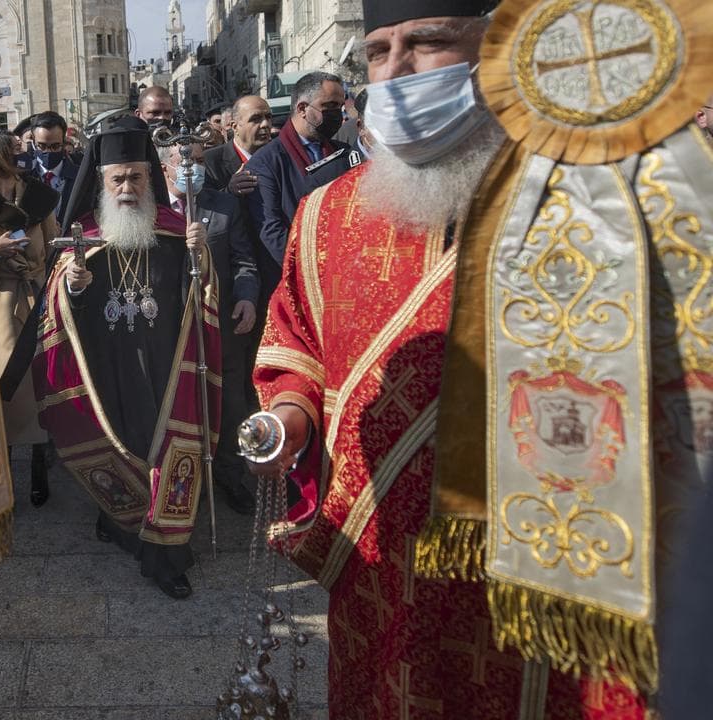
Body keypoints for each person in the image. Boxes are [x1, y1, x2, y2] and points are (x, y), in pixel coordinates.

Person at [249, 0, 712, 716]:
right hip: (381, 571)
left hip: (545, 568)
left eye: (427, 42)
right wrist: (288, 414)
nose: (397, 72)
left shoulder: (599, 201)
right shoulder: (325, 214)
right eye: (378, 52)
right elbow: (296, 340)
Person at [34, 118, 216, 599]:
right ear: (102, 182)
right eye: (118, 178)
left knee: (167, 448)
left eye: (137, 176)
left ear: (150, 179)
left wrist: (200, 260)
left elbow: (199, 295)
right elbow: (60, 309)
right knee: (116, 439)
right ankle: (118, 523)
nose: (128, 187)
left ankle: (165, 554)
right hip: (108, 365)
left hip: (166, 364)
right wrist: (73, 286)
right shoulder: (85, 239)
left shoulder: (178, 232)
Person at [0, 132, 60, 508]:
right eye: (12, 151)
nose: (21, 155)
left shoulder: (38, 196)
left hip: (36, 297)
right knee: (2, 387)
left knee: (37, 387)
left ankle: (38, 465)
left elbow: (54, 244)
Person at [159, 141, 257, 515]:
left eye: (199, 161)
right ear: (165, 168)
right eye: (183, 161)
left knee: (230, 402)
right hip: (172, 328)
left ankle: (231, 476)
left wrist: (246, 297)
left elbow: (244, 260)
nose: (193, 168)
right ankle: (185, 480)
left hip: (222, 324)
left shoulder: (224, 206)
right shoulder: (154, 209)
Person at [245, 71, 362, 318]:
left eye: (340, 106)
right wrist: (314, 269)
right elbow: (271, 231)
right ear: (301, 108)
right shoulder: (266, 163)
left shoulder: (344, 153)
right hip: (298, 283)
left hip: (346, 281)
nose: (337, 114)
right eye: (328, 106)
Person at [204, 95, 274, 196]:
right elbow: (204, 205)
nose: (265, 124)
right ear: (235, 126)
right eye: (255, 119)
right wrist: (229, 191)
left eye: (268, 117)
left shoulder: (280, 155)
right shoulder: (210, 161)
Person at [28, 111, 79, 218]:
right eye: (42, 146)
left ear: (63, 142)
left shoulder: (79, 176)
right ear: (33, 142)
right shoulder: (24, 177)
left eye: (55, 146)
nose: (49, 152)